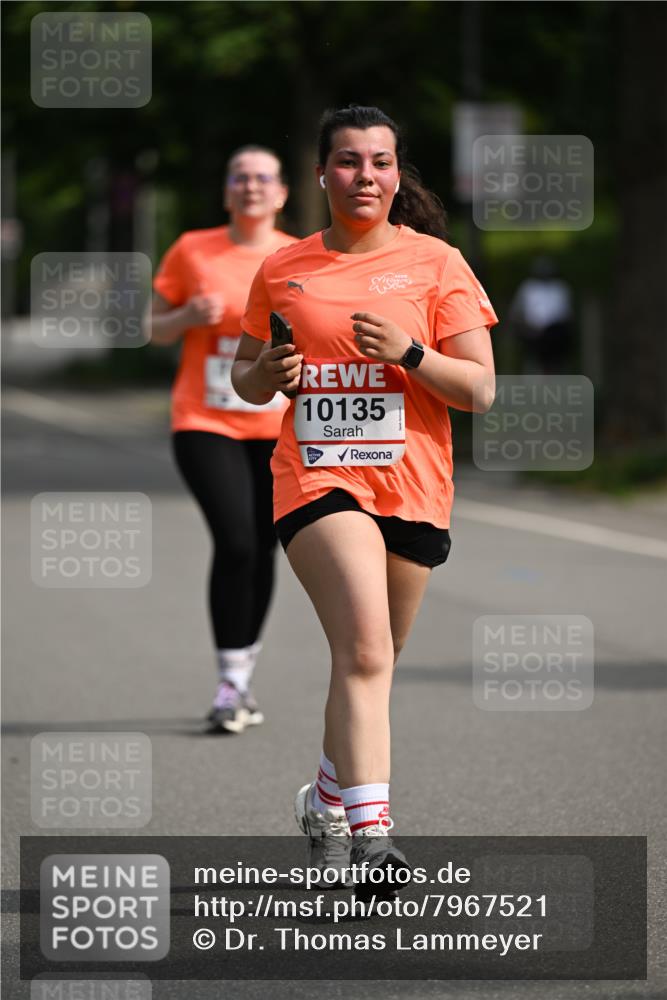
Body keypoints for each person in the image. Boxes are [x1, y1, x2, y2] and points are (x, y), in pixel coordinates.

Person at [232, 106, 498, 895]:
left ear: (396, 173)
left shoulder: (437, 264)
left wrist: (410, 353)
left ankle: (324, 795)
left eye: (379, 162)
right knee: (366, 651)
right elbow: (246, 377)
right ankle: (372, 839)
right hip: (316, 476)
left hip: (412, 482)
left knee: (370, 661)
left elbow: (479, 390)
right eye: (347, 162)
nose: (364, 177)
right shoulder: (284, 267)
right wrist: (266, 378)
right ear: (320, 174)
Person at [146, 146, 297, 734]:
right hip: (205, 419)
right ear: (227, 190)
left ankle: (240, 675)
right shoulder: (193, 248)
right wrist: (186, 317)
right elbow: (150, 329)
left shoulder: (298, 256)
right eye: (240, 177)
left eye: (263, 178)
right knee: (235, 540)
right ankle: (229, 683)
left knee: (263, 547)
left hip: (277, 422)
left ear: (282, 192)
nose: (251, 186)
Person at [509, 255, 574, 374]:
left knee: (556, 360)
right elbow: (517, 314)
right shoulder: (528, 288)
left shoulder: (560, 288)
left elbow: (567, 315)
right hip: (534, 335)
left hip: (556, 334)